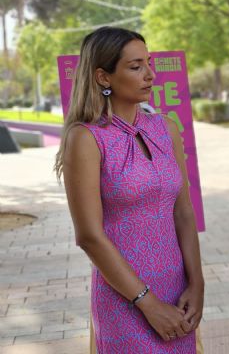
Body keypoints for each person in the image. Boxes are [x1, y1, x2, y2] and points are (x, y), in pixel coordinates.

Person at [54, 26, 204, 352]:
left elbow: (183, 212)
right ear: (103, 77)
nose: (150, 74)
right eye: (136, 67)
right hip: (125, 299)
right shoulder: (86, 138)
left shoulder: (166, 128)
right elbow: (89, 236)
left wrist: (197, 283)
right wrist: (148, 304)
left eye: (149, 63)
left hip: (177, 291)